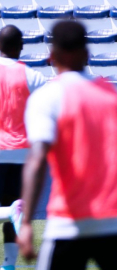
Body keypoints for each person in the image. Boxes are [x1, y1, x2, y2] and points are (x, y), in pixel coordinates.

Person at [17, 21, 117, 270]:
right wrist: (111, 185)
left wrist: (25, 224)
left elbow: (37, 159)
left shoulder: (47, 97)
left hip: (68, 222)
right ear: (87, 54)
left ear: (51, 56)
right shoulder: (114, 95)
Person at [0, 25, 46, 270]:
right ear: (20, 47)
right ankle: (8, 265)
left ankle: (10, 213)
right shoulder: (33, 76)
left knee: (9, 210)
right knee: (13, 207)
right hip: (22, 153)